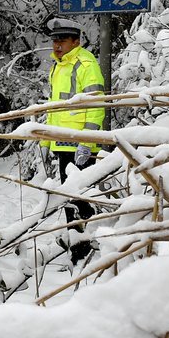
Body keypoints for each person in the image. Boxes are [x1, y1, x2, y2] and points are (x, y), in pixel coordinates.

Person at [40, 17, 105, 265]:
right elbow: (54, 106)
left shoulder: (85, 64)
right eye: (55, 41)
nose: (57, 45)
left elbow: (96, 103)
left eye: (63, 41)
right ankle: (77, 251)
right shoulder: (59, 66)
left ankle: (85, 252)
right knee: (70, 200)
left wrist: (87, 142)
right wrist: (46, 141)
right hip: (61, 143)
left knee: (80, 201)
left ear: (76, 41)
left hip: (79, 144)